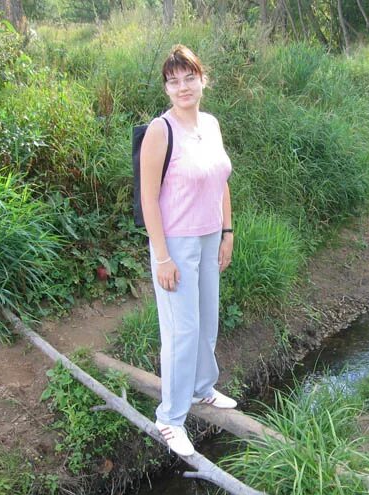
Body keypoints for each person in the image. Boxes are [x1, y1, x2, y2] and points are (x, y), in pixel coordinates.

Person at [139, 44, 237, 457]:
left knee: (207, 321)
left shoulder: (211, 125)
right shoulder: (160, 131)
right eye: (173, 81)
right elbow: (147, 197)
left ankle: (202, 389)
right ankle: (170, 418)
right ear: (166, 87)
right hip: (175, 243)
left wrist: (227, 232)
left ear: (202, 80)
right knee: (182, 332)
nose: (182, 87)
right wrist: (161, 256)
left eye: (189, 78)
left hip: (209, 234)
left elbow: (221, 180)